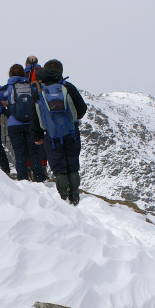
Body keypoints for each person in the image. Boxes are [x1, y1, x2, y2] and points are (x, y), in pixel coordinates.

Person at [30, 59, 88, 205]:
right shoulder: (67, 87)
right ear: (60, 71)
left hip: (51, 134)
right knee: (72, 163)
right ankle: (74, 195)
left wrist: (37, 135)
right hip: (71, 131)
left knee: (59, 166)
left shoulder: (39, 89)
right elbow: (81, 109)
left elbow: (34, 115)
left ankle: (63, 198)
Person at [0, 64, 45, 181]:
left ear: (10, 74)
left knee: (20, 154)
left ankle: (23, 180)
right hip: (31, 123)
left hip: (14, 124)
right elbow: (40, 98)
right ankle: (40, 179)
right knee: (34, 152)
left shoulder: (9, 88)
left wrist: (5, 112)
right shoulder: (30, 86)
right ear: (23, 74)